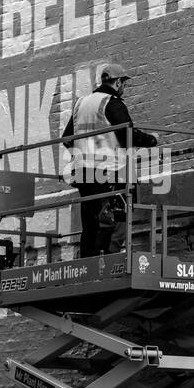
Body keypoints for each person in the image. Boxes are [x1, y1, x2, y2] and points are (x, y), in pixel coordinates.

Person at [61, 63, 159, 257]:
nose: (124, 88)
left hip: (84, 174)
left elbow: (67, 138)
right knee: (115, 217)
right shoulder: (112, 102)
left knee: (91, 222)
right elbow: (128, 135)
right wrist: (152, 140)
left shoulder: (81, 103)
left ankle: (88, 262)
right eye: (124, 83)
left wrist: (81, 156)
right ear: (117, 82)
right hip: (109, 172)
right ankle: (106, 258)